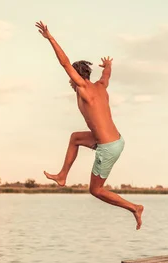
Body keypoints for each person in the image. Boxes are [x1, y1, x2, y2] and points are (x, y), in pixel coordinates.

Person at [35, 21, 144, 230]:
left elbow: (65, 63)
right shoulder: (100, 85)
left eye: (71, 77)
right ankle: (62, 175)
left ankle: (134, 207)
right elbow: (106, 74)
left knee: (96, 190)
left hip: (108, 147)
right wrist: (108, 64)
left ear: (76, 77)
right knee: (75, 137)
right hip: (114, 139)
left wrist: (50, 38)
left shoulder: (83, 88)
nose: (69, 81)